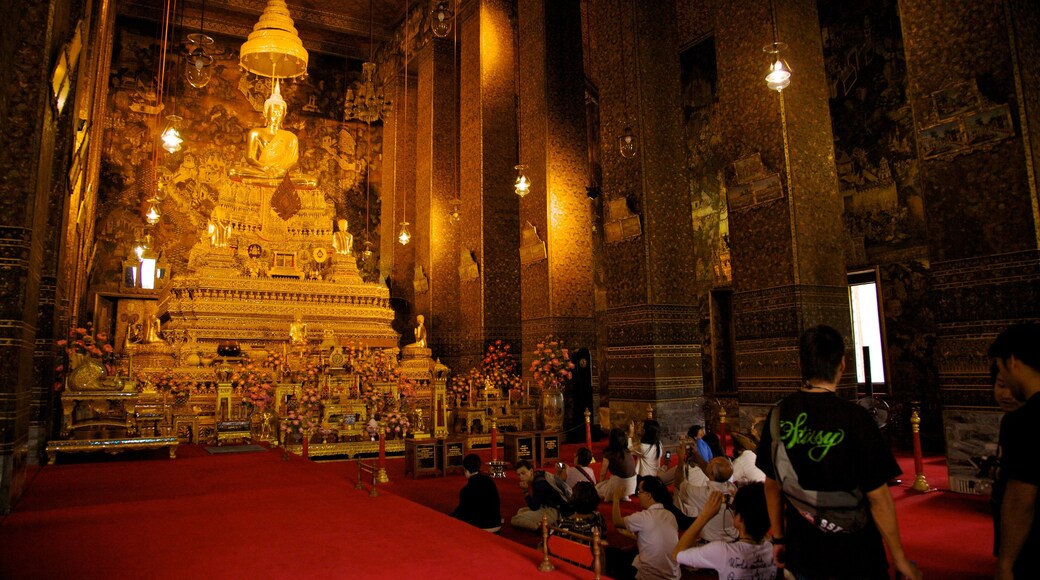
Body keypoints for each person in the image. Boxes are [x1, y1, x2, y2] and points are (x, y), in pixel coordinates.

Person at [756, 324, 920, 580]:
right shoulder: (856, 418)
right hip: (856, 553)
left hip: (804, 550)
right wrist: (898, 557)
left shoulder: (779, 414)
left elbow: (772, 485)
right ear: (842, 365)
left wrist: (778, 537)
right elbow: (879, 497)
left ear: (801, 363)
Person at [991, 322, 1040, 579]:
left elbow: (1022, 499)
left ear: (1012, 361)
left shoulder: (1023, 420)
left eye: (1001, 369)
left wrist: (1005, 563)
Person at [672, 483, 776, 580]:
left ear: (739, 519)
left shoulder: (723, 552)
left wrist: (704, 516)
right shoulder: (773, 549)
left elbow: (677, 554)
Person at [229, 80, 316, 187]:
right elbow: (250, 158)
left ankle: (271, 181)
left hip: (282, 173)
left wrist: (281, 170)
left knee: (311, 181)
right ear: (266, 112)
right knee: (234, 172)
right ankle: (272, 180)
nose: (277, 115)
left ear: (284, 115)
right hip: (261, 171)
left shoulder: (291, 137)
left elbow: (294, 162)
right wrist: (265, 168)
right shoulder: (256, 133)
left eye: (280, 112)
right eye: (274, 111)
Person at [609, 475, 680, 580]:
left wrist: (615, 498)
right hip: (673, 576)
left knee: (612, 554)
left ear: (648, 495)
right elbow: (658, 540)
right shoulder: (670, 515)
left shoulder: (643, 517)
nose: (638, 495)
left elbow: (617, 522)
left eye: (640, 492)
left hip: (650, 577)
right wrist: (633, 537)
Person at [674, 453, 737, 542]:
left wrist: (680, 461)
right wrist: (697, 456)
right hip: (733, 540)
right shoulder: (732, 487)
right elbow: (713, 475)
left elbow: (679, 484)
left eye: (711, 462)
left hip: (712, 543)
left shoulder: (705, 494)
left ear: (711, 473)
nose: (709, 461)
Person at [512, 459, 573, 531]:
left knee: (515, 519)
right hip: (548, 507)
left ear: (531, 471)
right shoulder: (539, 474)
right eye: (519, 475)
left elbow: (534, 506)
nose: (521, 477)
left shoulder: (539, 483)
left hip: (556, 511)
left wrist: (525, 491)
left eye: (523, 473)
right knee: (521, 511)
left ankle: (540, 527)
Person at [449, 454, 502, 532]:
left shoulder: (466, 490)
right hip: (496, 524)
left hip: (481, 528)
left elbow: (463, 513)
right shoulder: (489, 481)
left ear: (465, 470)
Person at [596, 427, 637, 502]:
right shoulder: (627, 450)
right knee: (609, 481)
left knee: (596, 489)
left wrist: (600, 484)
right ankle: (623, 495)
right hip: (631, 486)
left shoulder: (609, 454)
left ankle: (612, 496)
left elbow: (602, 473)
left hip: (618, 485)